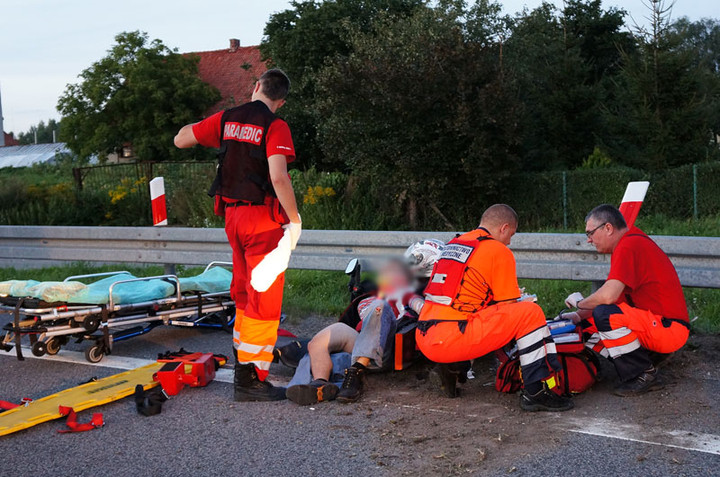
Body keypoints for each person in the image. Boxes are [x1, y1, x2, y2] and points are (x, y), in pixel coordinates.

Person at [174, 69, 301, 401]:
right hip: (262, 221)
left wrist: (209, 126)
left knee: (244, 293)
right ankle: (251, 379)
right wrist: (295, 219)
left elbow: (181, 139)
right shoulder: (276, 126)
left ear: (256, 86)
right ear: (281, 100)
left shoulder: (227, 119)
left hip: (233, 218)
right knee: (265, 300)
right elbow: (279, 176)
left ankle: (244, 366)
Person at [416, 204, 574, 412]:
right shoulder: (498, 250)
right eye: (512, 234)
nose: (510, 241)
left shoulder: (453, 244)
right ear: (504, 228)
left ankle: (454, 367)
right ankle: (535, 392)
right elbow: (507, 306)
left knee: (475, 312)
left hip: (424, 335)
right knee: (530, 313)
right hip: (453, 337)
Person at [286, 244, 440, 406]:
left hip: (387, 344)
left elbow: (424, 310)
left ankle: (356, 373)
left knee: (380, 307)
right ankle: (320, 384)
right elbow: (363, 308)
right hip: (363, 337)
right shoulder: (386, 290)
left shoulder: (415, 294)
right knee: (317, 343)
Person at [562, 204, 689, 396]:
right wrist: (577, 317)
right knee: (581, 326)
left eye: (590, 233)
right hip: (658, 325)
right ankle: (645, 359)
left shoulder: (628, 245)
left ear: (608, 228)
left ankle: (643, 374)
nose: (589, 240)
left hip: (669, 329)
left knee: (604, 315)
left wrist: (579, 303)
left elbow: (607, 297)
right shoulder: (628, 242)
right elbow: (611, 299)